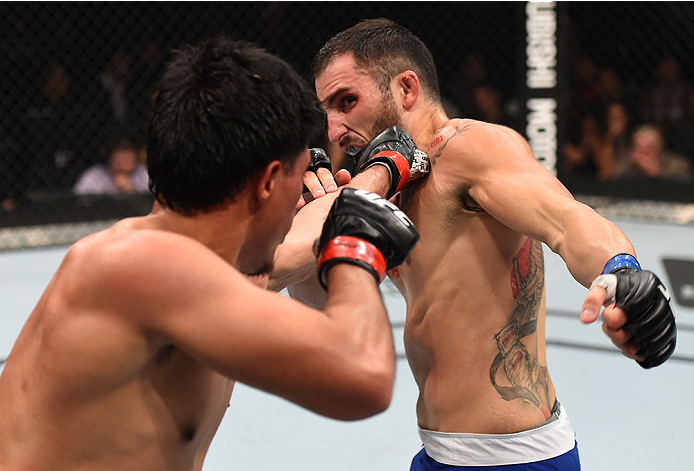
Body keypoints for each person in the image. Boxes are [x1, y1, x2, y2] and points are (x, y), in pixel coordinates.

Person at [0, 35, 421, 471]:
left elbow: (300, 242)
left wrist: (379, 175)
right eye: (299, 180)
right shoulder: (136, 266)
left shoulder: (199, 270)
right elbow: (363, 378)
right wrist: (357, 242)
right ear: (269, 182)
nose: (302, 195)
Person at [285, 18, 677, 470]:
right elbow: (325, 313)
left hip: (514, 459)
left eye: (346, 102)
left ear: (406, 88)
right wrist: (312, 231)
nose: (333, 130)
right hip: (438, 453)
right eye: (327, 111)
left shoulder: (469, 149)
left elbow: (567, 221)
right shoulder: (386, 185)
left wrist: (621, 270)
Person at [73, 135, 149, 195]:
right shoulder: (94, 176)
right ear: (110, 160)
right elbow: (77, 201)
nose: (124, 168)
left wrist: (132, 192)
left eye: (130, 162)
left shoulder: (144, 175)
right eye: (119, 163)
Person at [614, 123, 693, 182]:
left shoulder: (678, 166)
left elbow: (682, 193)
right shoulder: (629, 164)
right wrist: (630, 163)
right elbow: (615, 177)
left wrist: (654, 173)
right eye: (638, 147)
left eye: (647, 149)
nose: (641, 153)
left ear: (659, 149)